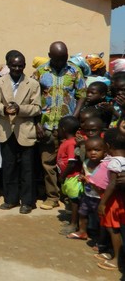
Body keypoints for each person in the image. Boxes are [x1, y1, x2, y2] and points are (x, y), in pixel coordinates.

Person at [33, 41, 86, 210]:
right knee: (47, 163)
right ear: (50, 56)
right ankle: (52, 196)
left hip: (68, 129)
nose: (61, 61)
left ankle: (69, 196)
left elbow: (82, 95)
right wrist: (36, 123)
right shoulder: (40, 72)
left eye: (64, 58)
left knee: (69, 162)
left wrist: (74, 117)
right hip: (46, 126)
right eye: (57, 59)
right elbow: (32, 99)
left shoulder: (74, 71)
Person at [0, 51, 41, 214]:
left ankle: (27, 201)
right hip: (6, 130)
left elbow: (37, 108)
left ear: (24, 66)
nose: (17, 68)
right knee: (9, 167)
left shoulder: (32, 84)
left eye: (20, 65)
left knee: (27, 169)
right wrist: (4, 110)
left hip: (25, 131)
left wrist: (21, 109)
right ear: (8, 65)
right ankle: (10, 199)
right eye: (14, 65)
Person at [91, 126, 125, 272]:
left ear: (108, 146)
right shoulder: (122, 158)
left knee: (113, 229)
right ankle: (112, 253)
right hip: (116, 199)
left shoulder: (115, 162)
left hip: (111, 200)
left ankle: (117, 259)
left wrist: (103, 202)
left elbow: (112, 184)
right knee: (113, 229)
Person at [66, 136, 106, 241]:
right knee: (82, 213)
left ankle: (102, 241)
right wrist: (81, 178)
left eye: (97, 150)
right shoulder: (86, 163)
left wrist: (91, 182)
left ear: (105, 151)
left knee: (101, 220)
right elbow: (84, 174)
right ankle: (82, 232)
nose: (93, 152)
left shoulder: (104, 166)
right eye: (89, 150)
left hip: (99, 198)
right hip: (87, 195)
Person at [56, 116, 83, 235]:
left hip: (72, 177)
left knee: (74, 202)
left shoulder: (71, 143)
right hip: (68, 177)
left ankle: (74, 224)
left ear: (63, 129)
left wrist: (63, 176)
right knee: (71, 201)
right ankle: (72, 221)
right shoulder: (67, 142)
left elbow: (72, 162)